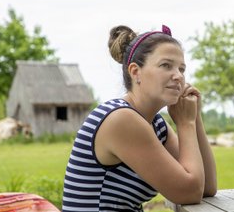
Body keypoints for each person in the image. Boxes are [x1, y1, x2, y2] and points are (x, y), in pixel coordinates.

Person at [62, 25, 217, 212]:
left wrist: (195, 118)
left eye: (181, 69)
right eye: (166, 65)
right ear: (135, 72)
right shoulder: (120, 119)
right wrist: (186, 124)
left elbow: (206, 187)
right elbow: (189, 192)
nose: (178, 76)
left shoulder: (156, 124)